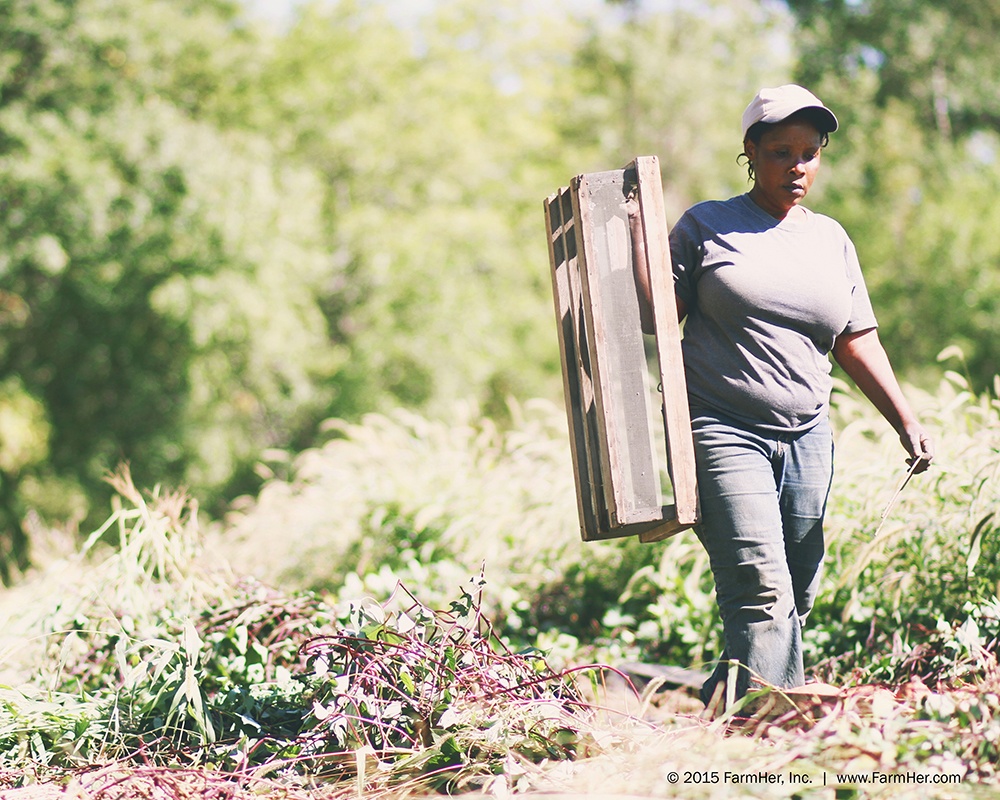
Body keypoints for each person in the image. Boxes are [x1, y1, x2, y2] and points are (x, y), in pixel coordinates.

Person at [636, 84, 934, 707]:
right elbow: (656, 316)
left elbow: (857, 340)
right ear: (750, 151)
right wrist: (634, 248)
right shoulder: (707, 226)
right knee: (760, 589)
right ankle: (768, 735)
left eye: (809, 152)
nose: (796, 166)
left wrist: (906, 421)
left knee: (794, 592)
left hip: (808, 434)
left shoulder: (831, 239)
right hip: (720, 425)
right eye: (779, 152)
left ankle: (728, 707)